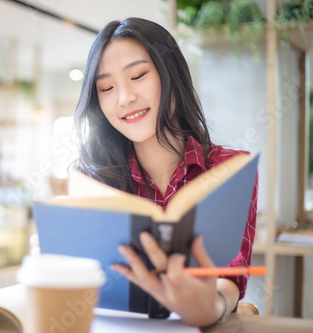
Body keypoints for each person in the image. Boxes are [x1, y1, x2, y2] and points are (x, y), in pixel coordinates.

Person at [73, 17, 258, 327]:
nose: (124, 98)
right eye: (106, 87)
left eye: (139, 75)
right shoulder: (92, 179)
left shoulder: (228, 169)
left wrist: (210, 307)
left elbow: (230, 277)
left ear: (170, 74)